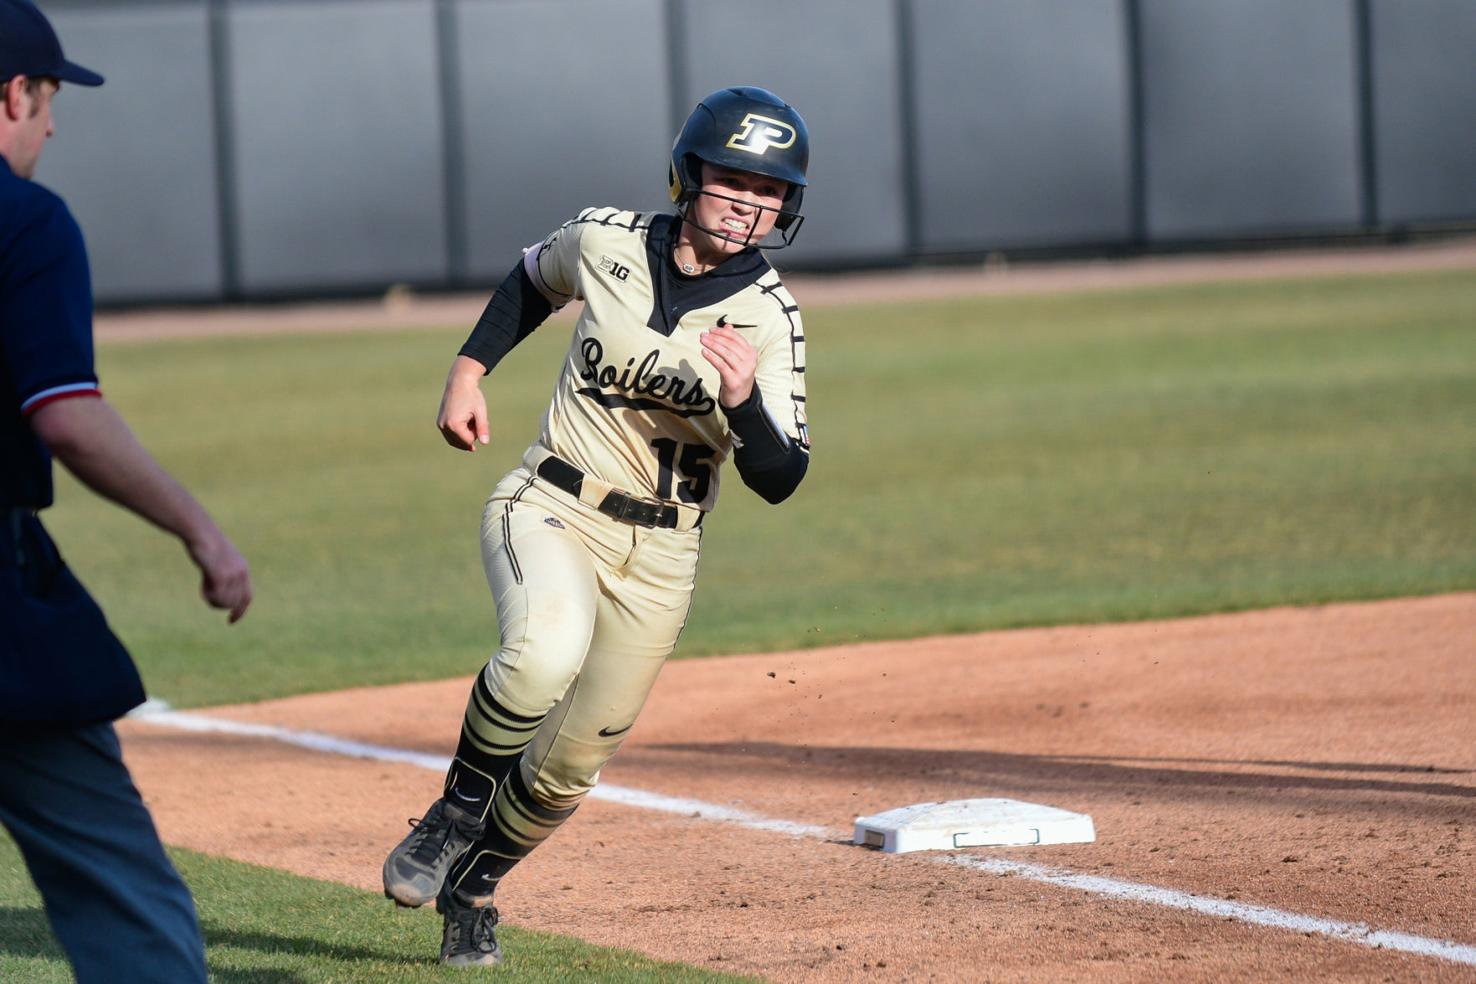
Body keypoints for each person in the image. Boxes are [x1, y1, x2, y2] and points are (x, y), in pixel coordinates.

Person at [382, 85, 812, 966]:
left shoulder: (772, 317)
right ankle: (452, 813)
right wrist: (468, 371)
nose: (749, 202)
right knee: (543, 652)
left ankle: (474, 887)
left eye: (770, 191)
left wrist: (743, 404)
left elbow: (781, 477)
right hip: (552, 502)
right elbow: (533, 280)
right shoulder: (605, 238)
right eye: (733, 178)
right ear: (688, 174)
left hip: (662, 556)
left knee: (568, 768)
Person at [0, 2, 253, 980]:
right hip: (8, 615)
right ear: (15, 92)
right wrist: (202, 531)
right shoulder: (27, 221)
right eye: (49, 98)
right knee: (121, 890)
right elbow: (65, 415)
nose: (51, 125)